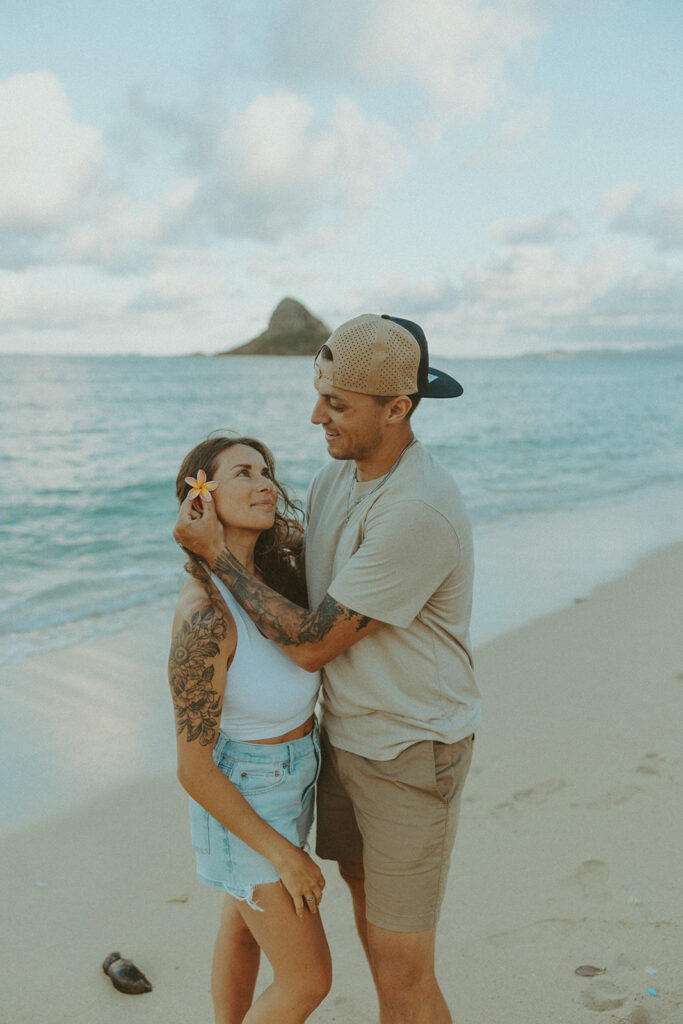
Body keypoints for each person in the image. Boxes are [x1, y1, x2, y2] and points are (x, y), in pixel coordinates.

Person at [174, 314, 482, 1024]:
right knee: (366, 931)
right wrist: (207, 572)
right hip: (338, 745)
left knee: (400, 969)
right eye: (319, 395)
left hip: (409, 749)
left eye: (336, 404)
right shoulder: (330, 480)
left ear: (397, 408)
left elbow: (311, 642)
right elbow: (284, 580)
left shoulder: (418, 510)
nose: (316, 417)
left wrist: (216, 555)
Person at [169, 435, 331, 1024]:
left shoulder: (274, 585)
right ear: (202, 499)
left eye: (266, 471)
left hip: (295, 777)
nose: (265, 483)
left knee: (242, 933)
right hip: (247, 793)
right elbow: (193, 767)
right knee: (308, 981)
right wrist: (286, 856)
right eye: (244, 473)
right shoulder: (205, 617)